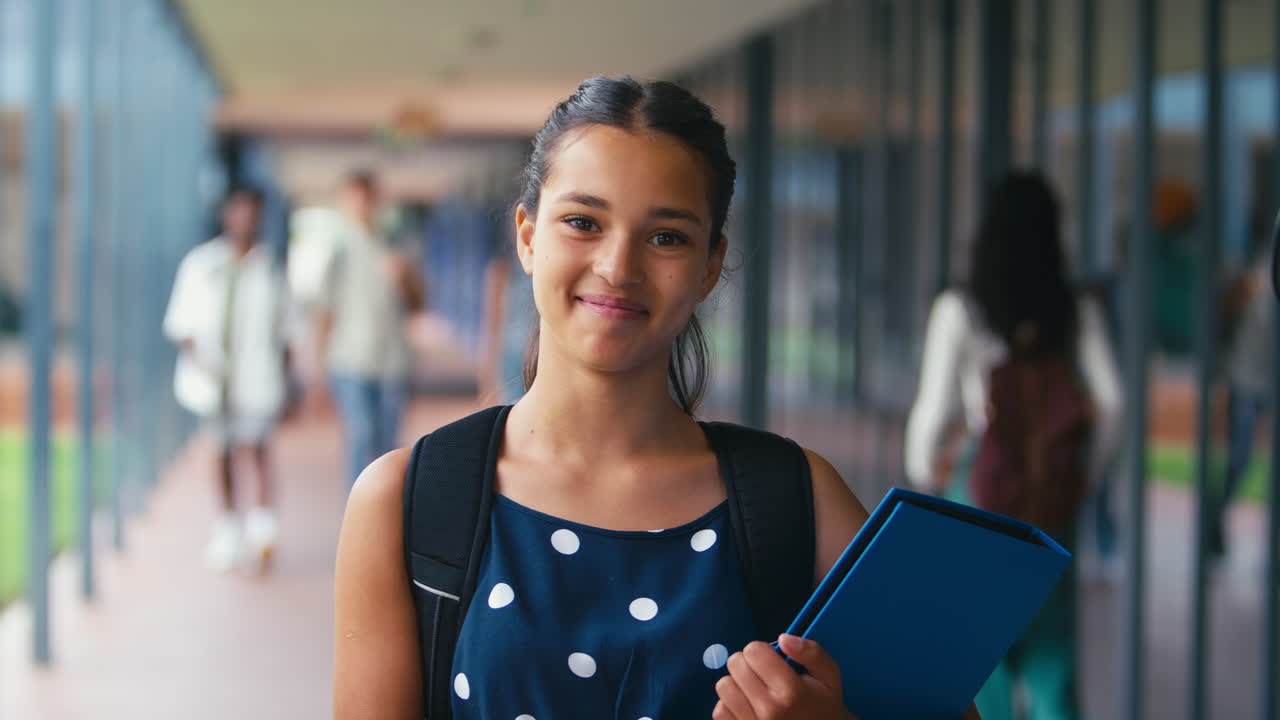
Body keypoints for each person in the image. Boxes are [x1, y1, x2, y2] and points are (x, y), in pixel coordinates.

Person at [334, 76, 981, 720]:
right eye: (583, 222)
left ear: (708, 265)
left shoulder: (793, 498)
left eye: (666, 235)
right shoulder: (408, 503)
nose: (619, 266)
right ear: (529, 237)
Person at [905, 171, 1122, 720]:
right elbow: (1113, 403)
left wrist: (928, 479)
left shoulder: (961, 308)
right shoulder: (1074, 309)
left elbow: (931, 417)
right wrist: (1085, 475)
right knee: (1053, 654)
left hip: (980, 483)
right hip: (1050, 487)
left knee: (981, 654)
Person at [163, 185, 300, 573]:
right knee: (221, 451)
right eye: (239, 211)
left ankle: (262, 528)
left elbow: (287, 332)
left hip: (258, 379)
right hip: (215, 382)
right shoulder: (200, 265)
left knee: (257, 448)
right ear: (227, 215)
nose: (246, 220)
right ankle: (228, 527)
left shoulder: (271, 269)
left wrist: (289, 384)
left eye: (252, 213)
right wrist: (204, 362)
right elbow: (182, 324)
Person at [316, 170, 426, 492]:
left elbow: (419, 303)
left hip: (393, 360)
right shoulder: (337, 254)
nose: (361, 206)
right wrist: (320, 371)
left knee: (389, 444)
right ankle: (358, 513)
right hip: (349, 359)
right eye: (353, 199)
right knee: (361, 435)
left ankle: (389, 510)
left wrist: (403, 279)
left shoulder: (397, 247)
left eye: (366, 198)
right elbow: (324, 314)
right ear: (343, 204)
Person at [1213, 241, 1274, 556]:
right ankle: (1216, 522)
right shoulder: (1251, 281)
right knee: (1240, 460)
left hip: (1266, 383)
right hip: (1246, 382)